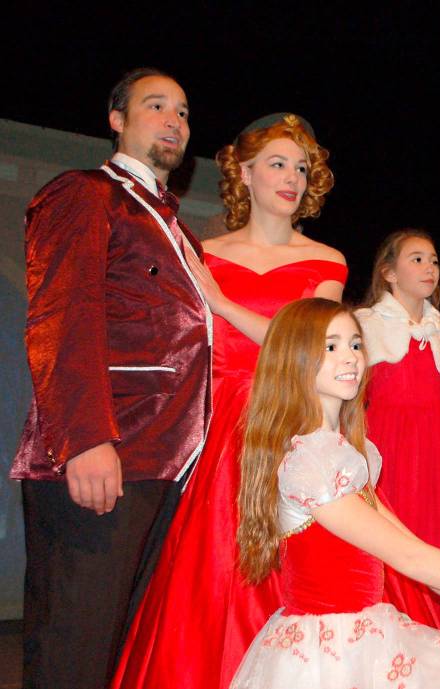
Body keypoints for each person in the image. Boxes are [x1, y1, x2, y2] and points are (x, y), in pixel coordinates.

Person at [112, 114, 347, 688]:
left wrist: (221, 303)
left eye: (300, 168)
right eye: (277, 164)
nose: (290, 178)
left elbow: (307, 345)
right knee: (212, 573)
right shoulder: (204, 253)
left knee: (296, 570)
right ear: (244, 173)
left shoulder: (327, 260)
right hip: (214, 432)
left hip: (288, 425)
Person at [230, 298, 440, 688]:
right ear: (295, 358)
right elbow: (408, 557)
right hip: (327, 656)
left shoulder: (343, 457)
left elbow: (411, 547)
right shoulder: (312, 461)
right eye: (331, 346)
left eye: (355, 344)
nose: (351, 357)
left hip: (362, 638)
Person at [10, 68, 212, 689]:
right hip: (107, 452)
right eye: (157, 106)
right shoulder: (86, 194)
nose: (174, 121)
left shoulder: (178, 231)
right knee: (75, 645)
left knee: (121, 651)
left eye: (183, 111)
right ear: (117, 120)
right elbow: (61, 316)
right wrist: (85, 440)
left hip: (165, 463)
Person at [357, 229, 440, 637]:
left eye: (434, 260)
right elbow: (352, 403)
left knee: (437, 546)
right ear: (388, 272)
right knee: (389, 547)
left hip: (435, 465)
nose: (429, 268)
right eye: (417, 259)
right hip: (385, 458)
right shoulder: (364, 326)